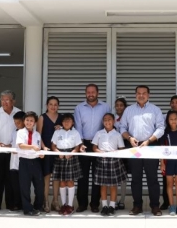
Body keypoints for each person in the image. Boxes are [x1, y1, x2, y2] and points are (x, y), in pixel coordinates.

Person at [119, 85, 165, 216]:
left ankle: (155, 206)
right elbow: (122, 127)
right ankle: (137, 206)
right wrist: (129, 138)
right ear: (135, 95)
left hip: (150, 145)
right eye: (138, 93)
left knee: (153, 178)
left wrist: (149, 140)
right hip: (134, 147)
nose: (141, 95)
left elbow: (161, 128)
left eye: (144, 93)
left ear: (148, 95)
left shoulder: (155, 110)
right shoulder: (129, 110)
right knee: (136, 178)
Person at [73, 84, 110, 213]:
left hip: (99, 145)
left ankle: (95, 204)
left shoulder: (105, 107)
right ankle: (82, 204)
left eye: (93, 92)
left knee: (97, 176)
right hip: (84, 144)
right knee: (82, 176)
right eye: (88, 92)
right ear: (85, 93)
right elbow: (77, 127)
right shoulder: (79, 108)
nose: (90, 94)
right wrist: (80, 143)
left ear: (97, 93)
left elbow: (107, 125)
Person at [0, 90, 21, 213]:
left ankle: (10, 203)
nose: (4, 102)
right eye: (2, 100)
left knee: (11, 179)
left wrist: (11, 145)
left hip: (12, 151)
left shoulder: (18, 113)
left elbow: (21, 130)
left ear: (13, 101)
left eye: (7, 99)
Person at [92, 113, 126, 217]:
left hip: (113, 161)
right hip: (102, 161)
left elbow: (121, 149)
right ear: (103, 122)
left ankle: (112, 206)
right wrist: (99, 151)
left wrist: (116, 153)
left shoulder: (117, 134)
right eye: (105, 120)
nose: (107, 122)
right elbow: (94, 147)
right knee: (103, 185)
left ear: (114, 121)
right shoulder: (99, 133)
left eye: (109, 119)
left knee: (113, 185)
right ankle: (104, 206)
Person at [52, 113, 84, 216]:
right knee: (62, 182)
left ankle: (70, 205)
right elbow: (53, 145)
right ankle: (64, 204)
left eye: (69, 121)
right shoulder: (57, 132)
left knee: (70, 181)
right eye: (65, 121)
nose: (67, 122)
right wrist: (58, 152)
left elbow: (78, 147)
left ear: (72, 122)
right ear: (62, 122)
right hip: (60, 157)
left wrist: (72, 153)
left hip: (71, 157)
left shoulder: (75, 133)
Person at [16, 111, 44, 216]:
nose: (29, 122)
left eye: (31, 120)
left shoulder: (37, 134)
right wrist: (32, 147)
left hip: (36, 161)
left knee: (39, 185)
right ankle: (27, 209)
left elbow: (38, 148)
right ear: (24, 121)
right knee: (25, 186)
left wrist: (41, 153)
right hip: (24, 161)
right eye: (27, 120)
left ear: (35, 122)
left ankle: (38, 206)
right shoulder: (20, 132)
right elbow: (20, 145)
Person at [37, 96, 62, 212]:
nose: (53, 106)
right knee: (47, 176)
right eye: (51, 104)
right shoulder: (42, 117)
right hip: (46, 149)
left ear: (58, 106)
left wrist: (61, 128)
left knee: (56, 177)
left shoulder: (61, 118)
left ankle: (55, 200)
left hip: (58, 150)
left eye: (55, 104)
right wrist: (43, 147)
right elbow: (38, 135)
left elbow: (69, 131)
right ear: (47, 105)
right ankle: (45, 200)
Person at [8, 111, 26, 211]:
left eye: (18, 122)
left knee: (23, 185)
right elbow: (12, 144)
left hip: (23, 162)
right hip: (13, 163)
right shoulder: (14, 132)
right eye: (15, 122)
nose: (16, 124)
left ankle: (24, 203)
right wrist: (5, 146)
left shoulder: (27, 133)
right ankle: (16, 203)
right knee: (14, 185)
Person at [113, 97, 128, 210]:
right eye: (117, 105)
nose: (119, 107)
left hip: (125, 147)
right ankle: (112, 200)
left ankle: (122, 200)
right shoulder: (112, 118)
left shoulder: (128, 118)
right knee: (112, 175)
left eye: (121, 105)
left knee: (123, 176)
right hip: (113, 148)